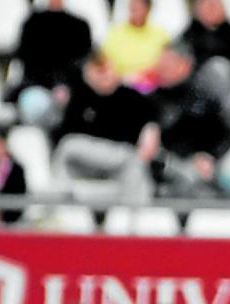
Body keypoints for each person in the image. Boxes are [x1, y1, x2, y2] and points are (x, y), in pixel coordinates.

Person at [53, 54, 161, 204]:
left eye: (107, 69)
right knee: (69, 144)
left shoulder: (134, 99)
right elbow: (65, 140)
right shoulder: (79, 97)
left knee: (135, 166)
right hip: (84, 160)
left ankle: (134, 221)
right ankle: (57, 208)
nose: (104, 75)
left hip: (120, 161)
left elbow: (149, 140)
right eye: (98, 70)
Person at [147, 44, 230, 197]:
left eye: (168, 63)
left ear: (186, 64)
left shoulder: (204, 100)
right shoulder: (150, 101)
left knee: (207, 177)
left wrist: (207, 156)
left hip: (199, 165)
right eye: (160, 63)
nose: (162, 68)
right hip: (164, 165)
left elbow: (222, 135)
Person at [14, 0, 93, 96]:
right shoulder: (32, 24)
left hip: (71, 89)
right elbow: (26, 58)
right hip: (36, 86)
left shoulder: (80, 26)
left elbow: (84, 60)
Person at [102, 0, 169, 88]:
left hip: (153, 85)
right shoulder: (115, 33)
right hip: (121, 84)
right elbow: (106, 59)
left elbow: (166, 61)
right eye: (133, 8)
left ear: (148, 9)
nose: (135, 11)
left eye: (139, 8)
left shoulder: (160, 33)